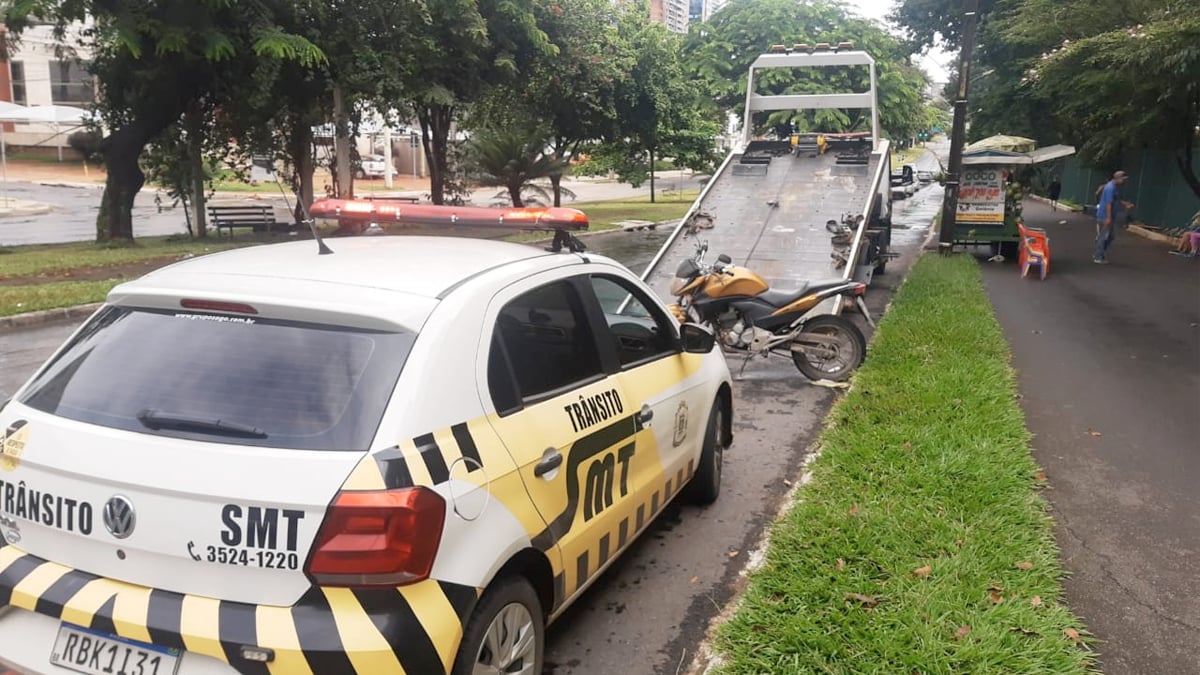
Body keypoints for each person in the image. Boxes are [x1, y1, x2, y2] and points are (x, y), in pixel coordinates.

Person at [1093, 170, 1134, 264]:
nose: (1124, 181)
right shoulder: (1110, 188)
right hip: (1104, 215)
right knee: (1104, 236)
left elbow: (1116, 198)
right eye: (1123, 179)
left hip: (1109, 215)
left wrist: (1125, 204)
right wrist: (1108, 217)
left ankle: (1100, 252)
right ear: (1118, 178)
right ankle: (1098, 256)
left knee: (1111, 236)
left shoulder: (1115, 187)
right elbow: (1109, 203)